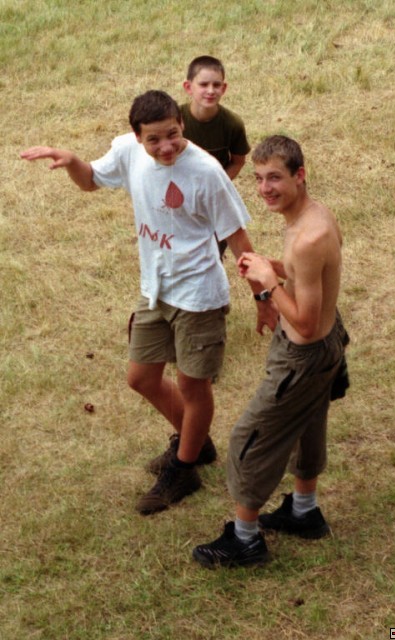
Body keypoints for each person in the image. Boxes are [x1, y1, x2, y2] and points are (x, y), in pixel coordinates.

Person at [20, 90, 274, 516]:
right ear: (137, 136)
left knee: (194, 387)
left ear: (182, 125)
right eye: (154, 139)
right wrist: (73, 160)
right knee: (140, 378)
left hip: (199, 296)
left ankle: (184, 468)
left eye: (172, 134)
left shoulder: (206, 172)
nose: (166, 146)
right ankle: (197, 443)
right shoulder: (128, 152)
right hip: (155, 290)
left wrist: (262, 296)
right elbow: (90, 180)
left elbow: (237, 239)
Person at [192, 135, 350, 568]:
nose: (265, 188)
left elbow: (305, 323)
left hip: (303, 356)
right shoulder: (316, 215)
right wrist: (276, 268)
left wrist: (268, 282)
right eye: (259, 178)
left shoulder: (307, 238)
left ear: (300, 175)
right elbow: (309, 275)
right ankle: (304, 511)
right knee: (307, 424)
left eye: (275, 178)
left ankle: (246, 540)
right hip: (326, 348)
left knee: (250, 439)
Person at [181, 55, 251, 257]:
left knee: (213, 253)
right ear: (188, 87)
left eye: (216, 85)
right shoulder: (175, 119)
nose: (210, 91)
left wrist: (215, 185)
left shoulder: (232, 124)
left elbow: (238, 162)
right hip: (179, 196)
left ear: (224, 88)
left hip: (214, 199)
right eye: (203, 84)